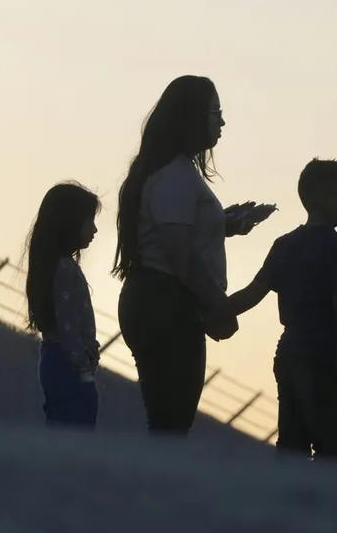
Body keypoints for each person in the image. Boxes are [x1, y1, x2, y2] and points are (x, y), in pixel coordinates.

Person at [112, 75, 275, 435]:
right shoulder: (176, 177)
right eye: (215, 113)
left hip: (160, 303)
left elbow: (179, 236)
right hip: (167, 306)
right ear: (191, 118)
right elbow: (180, 256)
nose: (222, 122)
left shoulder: (170, 173)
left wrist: (224, 224)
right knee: (171, 423)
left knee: (166, 419)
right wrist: (221, 306)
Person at [218, 158, 337, 465]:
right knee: (331, 453)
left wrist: (211, 312)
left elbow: (252, 294)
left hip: (290, 351)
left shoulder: (285, 244)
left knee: (291, 447)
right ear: (320, 198)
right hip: (324, 355)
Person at [23, 182, 103, 429]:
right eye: (89, 220)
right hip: (67, 363)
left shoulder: (56, 267)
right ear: (70, 222)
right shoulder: (65, 269)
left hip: (58, 359)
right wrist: (83, 362)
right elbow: (68, 325)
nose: (95, 229)